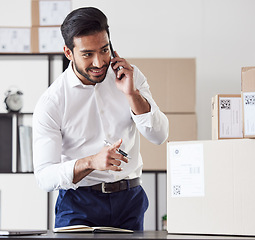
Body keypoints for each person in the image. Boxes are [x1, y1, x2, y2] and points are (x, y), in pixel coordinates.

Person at [33, 6, 169, 231]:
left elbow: (159, 136)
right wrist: (91, 162)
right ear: (68, 53)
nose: (99, 63)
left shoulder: (130, 77)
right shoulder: (52, 102)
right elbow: (44, 177)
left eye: (104, 50)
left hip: (130, 200)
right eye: (87, 54)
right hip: (78, 205)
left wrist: (132, 94)